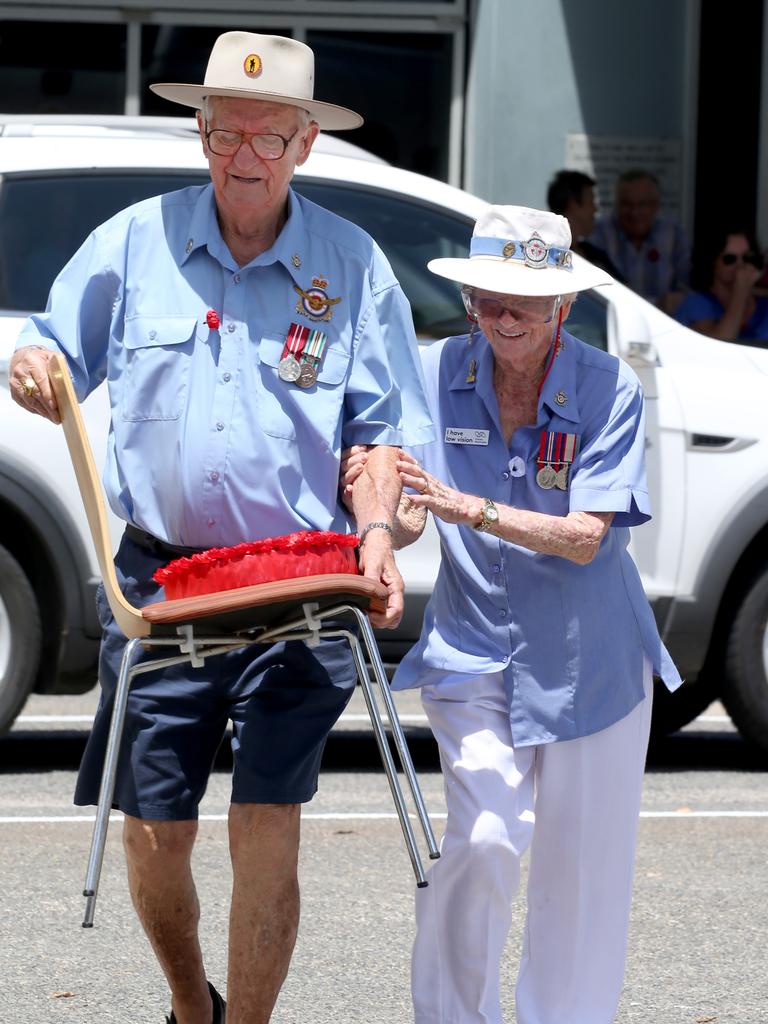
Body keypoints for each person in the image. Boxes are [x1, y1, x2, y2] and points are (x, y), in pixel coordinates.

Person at [9, 31, 433, 1024]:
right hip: (162, 579)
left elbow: (378, 434)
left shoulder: (353, 267)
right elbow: (49, 349)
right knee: (154, 832)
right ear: (200, 132)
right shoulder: (133, 241)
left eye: (268, 138)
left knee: (265, 817)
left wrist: (376, 533)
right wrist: (34, 370)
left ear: (305, 147)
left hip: (299, 585)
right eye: (225, 133)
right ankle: (187, 1006)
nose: (244, 155)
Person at [342, 206, 682, 1024]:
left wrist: (469, 508)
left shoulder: (608, 388)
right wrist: (388, 518)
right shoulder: (431, 371)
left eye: (523, 302)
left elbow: (583, 538)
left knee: (582, 876)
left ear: (562, 307)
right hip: (474, 650)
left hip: (592, 660)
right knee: (486, 835)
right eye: (487, 296)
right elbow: (404, 488)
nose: (502, 316)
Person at [591, 168, 690, 311]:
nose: (634, 212)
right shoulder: (598, 234)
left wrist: (675, 299)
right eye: (627, 204)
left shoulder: (674, 236)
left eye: (642, 204)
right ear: (617, 204)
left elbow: (685, 288)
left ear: (655, 205)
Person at [673, 225, 768, 342]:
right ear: (713, 262)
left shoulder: (764, 304)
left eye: (747, 257)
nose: (740, 265)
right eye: (730, 259)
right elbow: (719, 344)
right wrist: (740, 292)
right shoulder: (696, 303)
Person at [546, 168, 624, 281]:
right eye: (591, 202)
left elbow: (624, 291)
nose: (595, 210)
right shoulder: (547, 255)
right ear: (573, 205)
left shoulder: (594, 254)